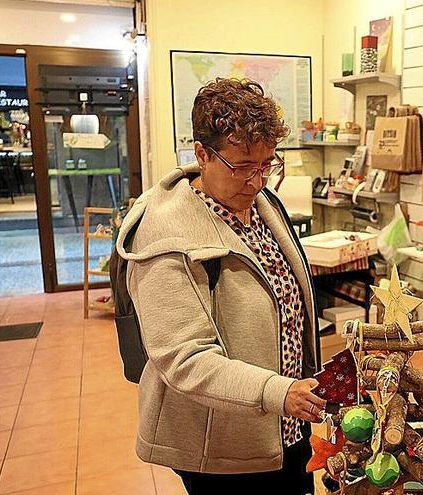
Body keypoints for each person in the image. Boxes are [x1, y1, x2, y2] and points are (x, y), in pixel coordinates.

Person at [116, 78, 324, 494]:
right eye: (243, 167)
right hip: (222, 447)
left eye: (267, 164)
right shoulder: (164, 234)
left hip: (287, 425)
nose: (258, 181)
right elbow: (184, 357)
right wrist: (277, 391)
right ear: (201, 155)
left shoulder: (263, 205)